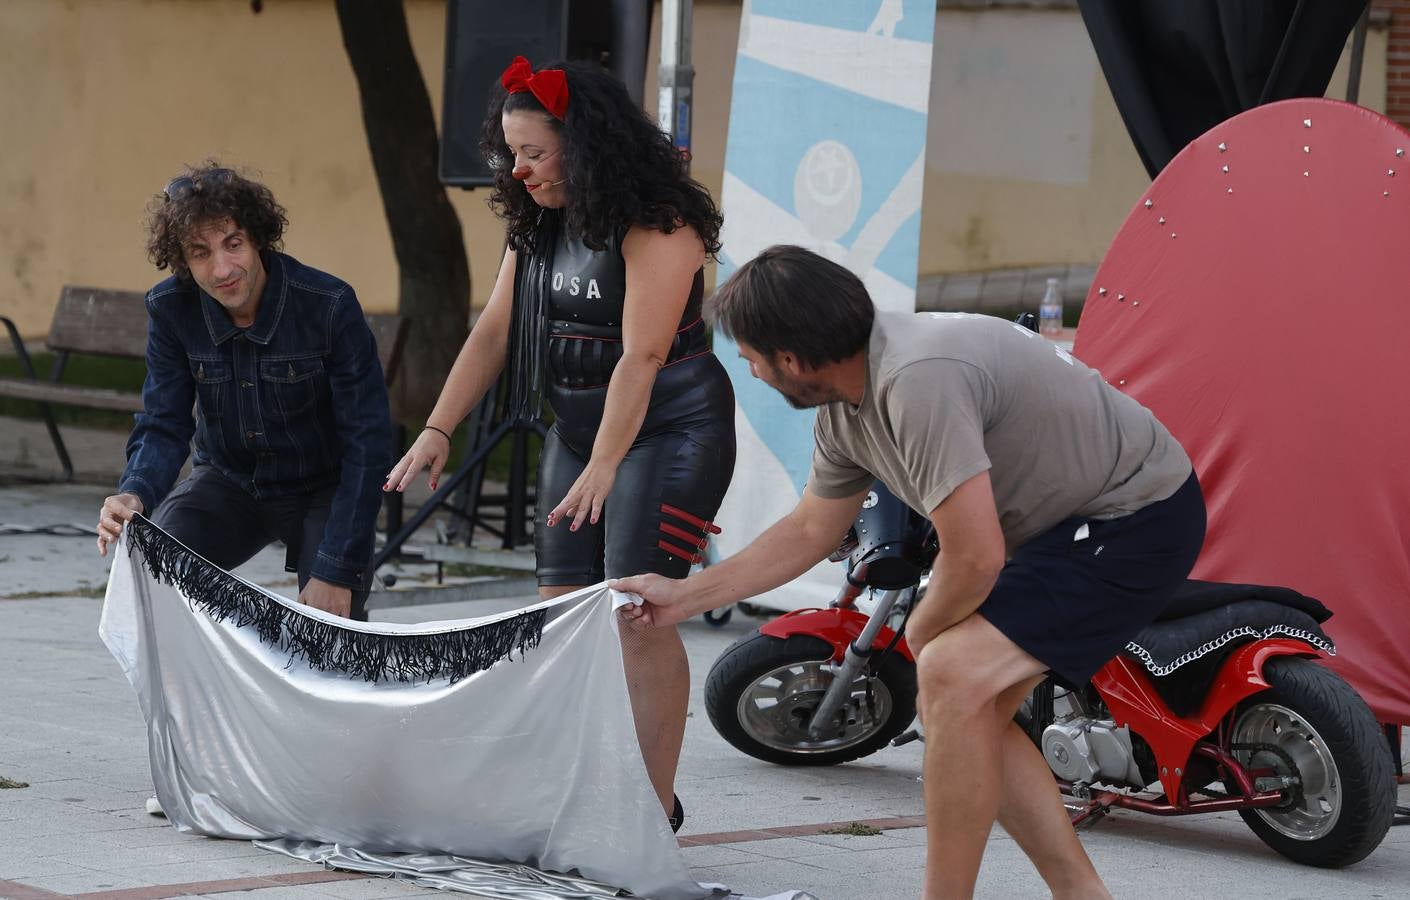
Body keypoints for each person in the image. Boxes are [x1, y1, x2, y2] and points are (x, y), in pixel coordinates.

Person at [614, 245, 1206, 898]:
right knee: (964, 704)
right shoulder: (846, 404)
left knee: (951, 674)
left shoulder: (916, 377)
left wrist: (922, 630)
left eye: (751, 356)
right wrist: (684, 596)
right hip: (1056, 526)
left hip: (1136, 513)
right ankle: (1080, 893)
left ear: (789, 357)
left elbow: (975, 555)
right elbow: (813, 528)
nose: (750, 372)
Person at [384, 58, 735, 830]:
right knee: (562, 615)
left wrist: (607, 465)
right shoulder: (538, 219)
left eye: (534, 153)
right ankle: (584, 788)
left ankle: (650, 808)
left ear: (585, 145)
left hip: (668, 432)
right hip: (578, 434)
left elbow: (641, 357)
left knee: (635, 611)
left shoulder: (659, 220)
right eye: (510, 152)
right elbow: (495, 332)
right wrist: (438, 429)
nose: (518, 169)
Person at [96, 163, 394, 624]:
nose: (222, 269)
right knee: (149, 574)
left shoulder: (329, 305)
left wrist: (337, 567)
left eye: (232, 244)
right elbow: (164, 421)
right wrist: (135, 493)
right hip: (230, 482)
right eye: (200, 253)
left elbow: (368, 442)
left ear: (257, 238)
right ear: (182, 261)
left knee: (332, 634)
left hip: (324, 488)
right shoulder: (171, 308)